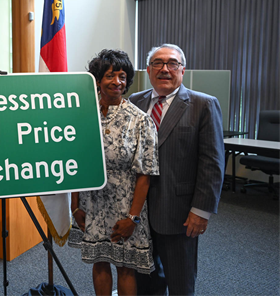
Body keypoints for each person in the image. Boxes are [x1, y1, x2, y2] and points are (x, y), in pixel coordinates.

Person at [130, 43, 224, 296]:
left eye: (172, 63)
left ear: (183, 70)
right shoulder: (134, 102)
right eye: (158, 63)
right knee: (145, 279)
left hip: (180, 211)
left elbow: (212, 162)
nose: (165, 69)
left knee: (181, 282)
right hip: (138, 212)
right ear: (148, 70)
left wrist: (201, 210)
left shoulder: (203, 105)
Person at [69, 49, 159, 296]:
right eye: (110, 75)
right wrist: (75, 206)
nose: (117, 82)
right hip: (91, 205)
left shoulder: (140, 120)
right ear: (98, 80)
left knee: (125, 267)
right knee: (100, 262)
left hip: (127, 207)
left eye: (122, 76)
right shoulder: (82, 115)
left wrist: (133, 218)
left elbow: (145, 174)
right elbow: (76, 163)